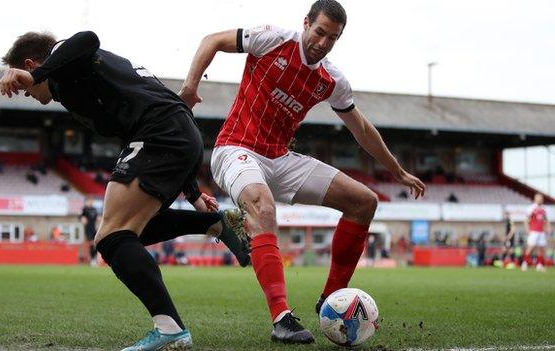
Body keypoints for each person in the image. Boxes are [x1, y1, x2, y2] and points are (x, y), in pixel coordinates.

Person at [180, 0, 425, 343]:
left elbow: (362, 130)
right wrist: (190, 88)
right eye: (320, 32)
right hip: (235, 148)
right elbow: (212, 40)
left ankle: (332, 300)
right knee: (264, 208)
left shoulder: (332, 80)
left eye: (333, 38)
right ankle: (282, 318)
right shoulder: (272, 39)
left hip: (280, 159)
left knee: (364, 202)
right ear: (306, 23)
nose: (323, 43)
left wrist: (397, 171)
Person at [0, 30, 251, 351]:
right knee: (128, 233)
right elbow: (147, 113)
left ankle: (170, 328)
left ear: (31, 64)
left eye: (23, 86)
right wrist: (193, 194)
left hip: (161, 134)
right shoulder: (83, 83)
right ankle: (213, 223)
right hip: (174, 134)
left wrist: (34, 75)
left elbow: (88, 38)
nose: (26, 92)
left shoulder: (67, 59)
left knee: (111, 237)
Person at [522, 193, 550, 272]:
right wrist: (527, 229)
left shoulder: (544, 208)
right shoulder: (531, 208)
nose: (540, 199)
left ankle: (539, 265)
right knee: (530, 247)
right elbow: (526, 220)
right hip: (534, 231)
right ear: (535, 199)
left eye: (541, 198)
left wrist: (548, 228)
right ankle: (524, 264)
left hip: (541, 232)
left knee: (541, 248)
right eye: (538, 198)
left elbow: (546, 220)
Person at [80, 196, 100, 266]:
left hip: (94, 228)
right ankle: (92, 259)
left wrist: (99, 219)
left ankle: (93, 258)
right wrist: (82, 219)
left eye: (92, 201)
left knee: (95, 244)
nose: (91, 202)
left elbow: (97, 217)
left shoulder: (94, 209)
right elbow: (81, 217)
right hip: (88, 228)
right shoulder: (84, 209)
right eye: (89, 201)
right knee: (91, 243)